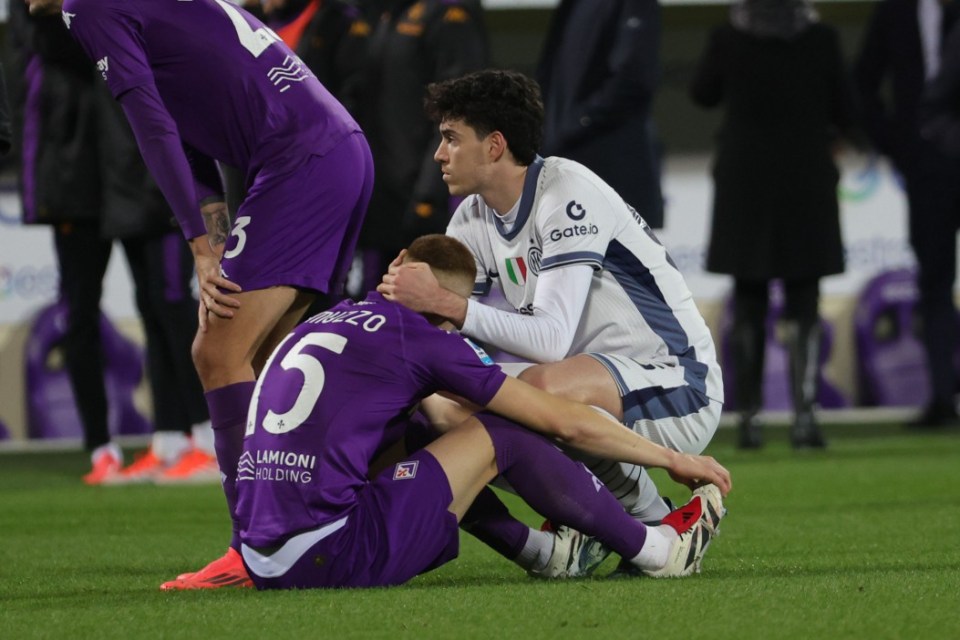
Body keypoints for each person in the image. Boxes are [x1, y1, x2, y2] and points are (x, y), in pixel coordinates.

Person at [26, 0, 373, 587]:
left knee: (218, 351)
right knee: (281, 365)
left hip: (298, 162)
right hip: (334, 148)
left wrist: (197, 241)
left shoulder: (85, 6)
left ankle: (255, 549)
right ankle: (330, 527)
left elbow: (152, 122)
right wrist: (212, 223)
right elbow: (185, 111)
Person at [236, 233, 730, 589]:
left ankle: (546, 554)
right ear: (451, 308)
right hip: (330, 554)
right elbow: (558, 418)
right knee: (504, 432)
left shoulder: (328, 320)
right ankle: (658, 552)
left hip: (260, 558)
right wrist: (672, 459)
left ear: (401, 263)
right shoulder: (427, 340)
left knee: (419, 429)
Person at [378, 69, 724, 576]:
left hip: (677, 384)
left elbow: (550, 339)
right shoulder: (471, 218)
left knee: (537, 389)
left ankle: (652, 521)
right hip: (594, 391)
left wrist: (449, 305)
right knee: (438, 409)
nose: (439, 153)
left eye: (451, 138)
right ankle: (584, 529)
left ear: (495, 146)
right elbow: (442, 342)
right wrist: (403, 302)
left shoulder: (567, 194)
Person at [11, 3, 215, 484]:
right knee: (100, 311)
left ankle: (202, 435)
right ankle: (134, 443)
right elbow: (51, 58)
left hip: (133, 178)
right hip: (82, 184)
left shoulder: (94, 15)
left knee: (164, 303)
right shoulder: (44, 22)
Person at [690, 0, 858, 450]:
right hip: (806, 177)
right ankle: (805, 417)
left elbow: (702, 92)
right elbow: (846, 106)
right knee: (805, 294)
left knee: (749, 298)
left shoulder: (729, 36)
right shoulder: (821, 38)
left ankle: (750, 419)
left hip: (746, 179)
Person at [856, 0, 960, 428]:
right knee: (934, 282)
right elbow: (863, 82)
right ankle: (942, 399)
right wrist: (896, 145)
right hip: (925, 168)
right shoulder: (894, 12)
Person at [351, 0, 488, 296]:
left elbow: (458, 111)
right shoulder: (386, 13)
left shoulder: (449, 13)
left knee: (425, 308)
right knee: (376, 304)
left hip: (421, 195)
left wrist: (429, 192)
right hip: (382, 194)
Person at [536, 0, 664, 229]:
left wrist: (578, 123)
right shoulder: (572, 6)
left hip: (612, 173)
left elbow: (634, 78)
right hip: (565, 172)